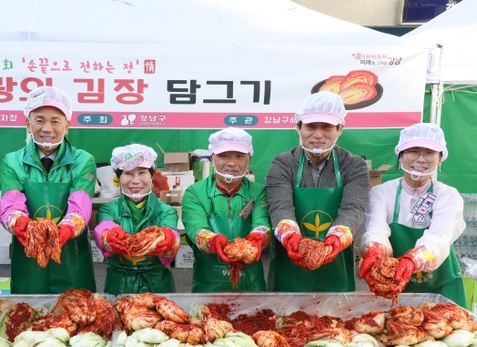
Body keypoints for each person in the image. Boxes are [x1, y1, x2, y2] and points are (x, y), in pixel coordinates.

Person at [265, 91, 369, 292]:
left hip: (337, 267)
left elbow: (353, 208)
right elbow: (280, 207)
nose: (318, 135)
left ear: (340, 129)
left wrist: (336, 240)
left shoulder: (354, 165)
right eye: (311, 126)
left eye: (327, 127)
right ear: (298, 128)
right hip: (290, 264)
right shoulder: (283, 163)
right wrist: (291, 238)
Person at [0, 86, 97, 293]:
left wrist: (66, 230)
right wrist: (21, 225)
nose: (47, 128)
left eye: (55, 121)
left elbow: (81, 204)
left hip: (72, 256)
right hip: (29, 255)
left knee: (76, 307)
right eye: (39, 120)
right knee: (26, 309)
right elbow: (11, 204)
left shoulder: (83, 160)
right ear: (28, 124)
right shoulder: (12, 161)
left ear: (67, 126)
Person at [359, 123, 466, 306]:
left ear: (440, 159)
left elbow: (439, 238)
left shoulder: (448, 196)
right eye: (413, 151)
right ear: (400, 155)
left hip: (442, 287)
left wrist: (412, 260)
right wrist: (375, 251)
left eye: (429, 153)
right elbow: (376, 230)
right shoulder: (381, 193)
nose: (421, 159)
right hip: (394, 286)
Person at [181, 127, 270, 292]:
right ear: (212, 158)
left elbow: (262, 221)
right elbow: (196, 227)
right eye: (223, 156)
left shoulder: (258, 192)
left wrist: (259, 236)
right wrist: (213, 241)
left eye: (240, 156)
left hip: (251, 282)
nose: (232, 163)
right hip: (208, 283)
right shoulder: (195, 193)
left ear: (249, 159)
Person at [93, 144, 180, 295]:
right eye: (128, 173)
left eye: (142, 173)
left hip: (158, 285)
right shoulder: (109, 209)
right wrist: (107, 235)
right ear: (118, 177)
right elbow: (104, 227)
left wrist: (170, 237)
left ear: (151, 176)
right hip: (119, 285)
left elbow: (170, 230)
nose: (135, 181)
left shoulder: (166, 211)